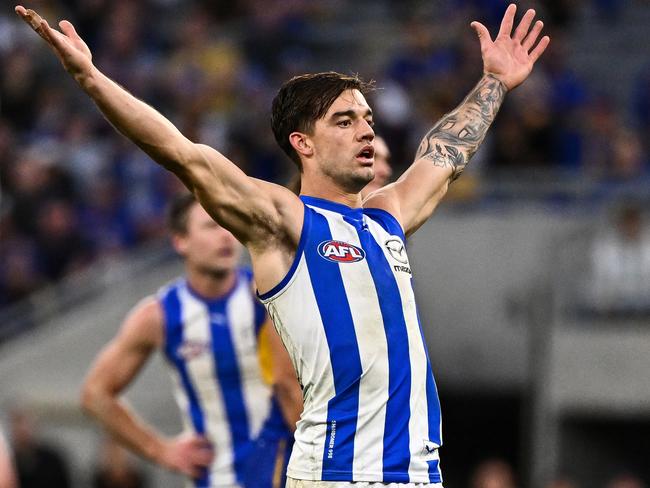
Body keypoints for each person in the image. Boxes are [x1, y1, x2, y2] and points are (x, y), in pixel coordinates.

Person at [17, 3, 549, 485]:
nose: (366, 132)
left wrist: (495, 82)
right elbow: (183, 154)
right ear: (303, 144)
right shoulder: (284, 222)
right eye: (345, 121)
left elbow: (445, 152)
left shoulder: (388, 215)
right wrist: (90, 79)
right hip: (338, 474)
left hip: (418, 473)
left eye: (367, 118)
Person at [80, 193, 299, 487]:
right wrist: (160, 451)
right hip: (215, 479)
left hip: (286, 472)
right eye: (211, 226)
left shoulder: (268, 296)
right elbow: (95, 394)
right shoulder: (159, 315)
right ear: (180, 241)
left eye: (228, 224)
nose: (225, 236)